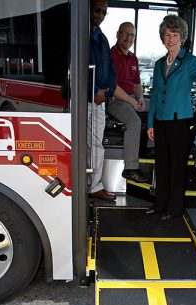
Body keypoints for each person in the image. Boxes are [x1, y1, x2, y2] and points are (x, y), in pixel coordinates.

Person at [147, 15, 196, 219]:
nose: (170, 39)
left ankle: (174, 209)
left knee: (177, 167)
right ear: (162, 38)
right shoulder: (158, 64)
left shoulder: (190, 61)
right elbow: (155, 94)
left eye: (175, 35)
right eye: (167, 35)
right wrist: (150, 123)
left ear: (182, 37)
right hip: (161, 120)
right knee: (162, 165)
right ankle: (160, 205)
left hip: (180, 121)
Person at [107, 22, 149, 183]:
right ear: (118, 34)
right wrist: (132, 101)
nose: (128, 38)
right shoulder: (110, 55)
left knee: (158, 106)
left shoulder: (133, 58)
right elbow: (113, 87)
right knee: (134, 121)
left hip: (131, 97)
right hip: (114, 99)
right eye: (125, 34)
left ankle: (150, 149)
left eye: (132, 35)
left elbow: (137, 84)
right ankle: (130, 168)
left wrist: (140, 99)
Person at [88, 0, 117, 201]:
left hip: (99, 101)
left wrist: (107, 93)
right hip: (85, 100)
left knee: (96, 144)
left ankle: (94, 185)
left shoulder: (103, 39)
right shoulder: (81, 36)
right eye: (98, 10)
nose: (101, 15)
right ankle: (91, 186)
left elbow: (112, 72)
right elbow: (78, 69)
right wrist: (94, 91)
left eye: (104, 12)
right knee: (87, 145)